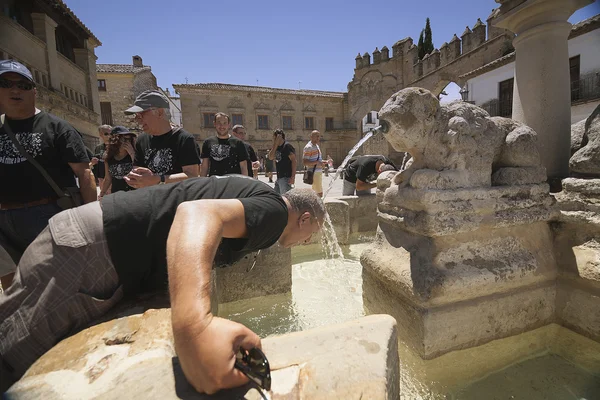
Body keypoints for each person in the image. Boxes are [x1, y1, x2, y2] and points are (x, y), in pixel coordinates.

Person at [0, 176, 324, 394]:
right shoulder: (274, 214)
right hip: (92, 249)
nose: (306, 240)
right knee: (11, 357)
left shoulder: (254, 191)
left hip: (90, 238)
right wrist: (194, 328)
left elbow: (180, 185)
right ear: (304, 218)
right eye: (311, 234)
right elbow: (194, 212)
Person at [0, 60, 96, 289]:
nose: (15, 90)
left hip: (46, 215)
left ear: (34, 91)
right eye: (6, 83)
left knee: (56, 284)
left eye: (22, 85)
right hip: (3, 219)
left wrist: (91, 221)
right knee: (12, 287)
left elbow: (84, 173)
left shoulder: (56, 127)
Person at [124, 90, 200, 188]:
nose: (138, 120)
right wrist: (136, 178)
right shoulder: (141, 140)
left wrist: (159, 180)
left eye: (141, 115)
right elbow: (139, 170)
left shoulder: (184, 139)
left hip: (177, 201)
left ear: (159, 112)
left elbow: (192, 176)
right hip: (151, 200)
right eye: (136, 116)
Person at [200, 113, 248, 177]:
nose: (222, 126)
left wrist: (244, 184)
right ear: (214, 124)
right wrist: (202, 184)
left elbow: (243, 167)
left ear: (229, 125)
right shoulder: (208, 142)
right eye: (219, 123)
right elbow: (204, 167)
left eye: (225, 123)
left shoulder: (238, 143)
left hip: (233, 183)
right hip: (215, 184)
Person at [99, 126, 137, 198]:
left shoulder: (135, 155)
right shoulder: (109, 158)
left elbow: (139, 170)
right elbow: (107, 178)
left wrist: (132, 153)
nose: (127, 142)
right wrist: (102, 194)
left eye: (129, 140)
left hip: (133, 195)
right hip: (116, 195)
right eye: (124, 139)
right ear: (115, 141)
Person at [268, 129, 296, 194]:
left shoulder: (287, 146)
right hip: (279, 178)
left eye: (274, 137)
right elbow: (270, 157)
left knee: (285, 200)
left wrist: (293, 177)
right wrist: (275, 144)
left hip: (286, 178)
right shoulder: (276, 147)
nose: (273, 139)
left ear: (279, 136)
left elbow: (294, 161)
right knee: (276, 199)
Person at [90, 125, 112, 190]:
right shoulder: (98, 147)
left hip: (112, 176)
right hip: (101, 177)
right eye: (106, 134)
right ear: (100, 134)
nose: (109, 136)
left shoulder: (115, 146)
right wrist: (93, 162)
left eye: (111, 133)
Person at [302, 130, 323, 197]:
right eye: (316, 136)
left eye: (319, 136)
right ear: (311, 137)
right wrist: (317, 162)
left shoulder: (316, 146)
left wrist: (324, 162)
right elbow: (305, 162)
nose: (318, 138)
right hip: (314, 173)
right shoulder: (308, 147)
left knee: (316, 193)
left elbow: (317, 159)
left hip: (318, 172)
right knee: (319, 194)